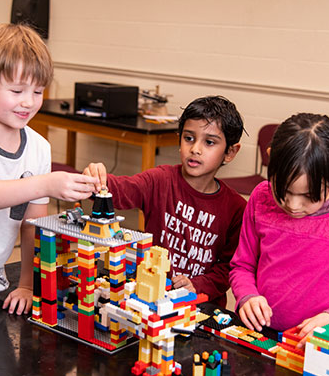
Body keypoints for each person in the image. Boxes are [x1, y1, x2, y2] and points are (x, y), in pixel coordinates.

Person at [0, 23, 97, 329]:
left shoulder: (38, 148)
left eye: (37, 91)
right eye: (17, 91)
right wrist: (45, 183)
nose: (28, 102)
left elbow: (32, 225)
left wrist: (26, 285)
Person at [84, 96, 247, 308]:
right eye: (189, 138)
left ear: (230, 152)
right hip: (149, 299)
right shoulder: (160, 180)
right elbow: (124, 189)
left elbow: (228, 268)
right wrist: (97, 180)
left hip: (200, 306)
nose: (195, 149)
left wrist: (197, 285)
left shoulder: (236, 208)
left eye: (209, 142)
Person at [229, 113, 329, 348]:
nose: (293, 205)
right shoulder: (260, 197)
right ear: (270, 160)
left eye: (310, 196)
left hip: (319, 343)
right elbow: (242, 265)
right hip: (260, 336)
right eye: (283, 190)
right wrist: (247, 295)